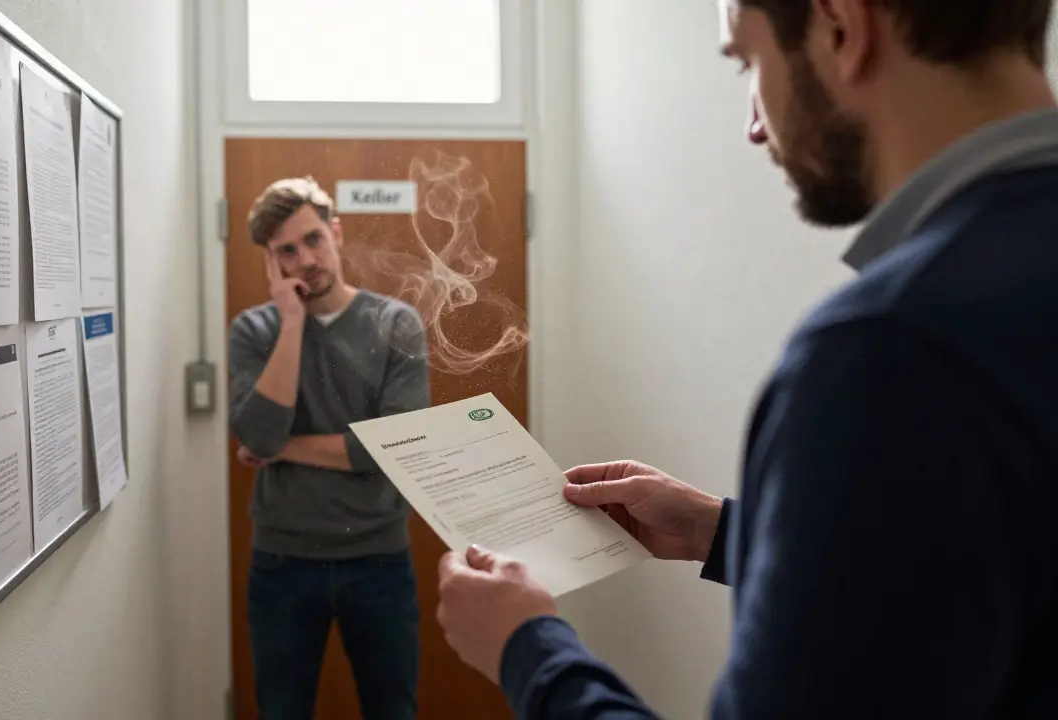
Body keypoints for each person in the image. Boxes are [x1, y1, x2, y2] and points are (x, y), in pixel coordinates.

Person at [436, 0, 1058, 717]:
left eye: (748, 63)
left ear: (840, 27)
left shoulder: (889, 350)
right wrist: (726, 532)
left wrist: (526, 646)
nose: (755, 125)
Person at [228, 176, 431, 719]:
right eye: (286, 251)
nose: (305, 259)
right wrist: (292, 323)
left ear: (336, 233)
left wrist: (281, 449)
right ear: (271, 263)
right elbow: (257, 437)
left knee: (393, 711)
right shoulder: (254, 330)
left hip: (379, 558)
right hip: (283, 561)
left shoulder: (395, 324)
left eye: (313, 239)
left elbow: (391, 449)